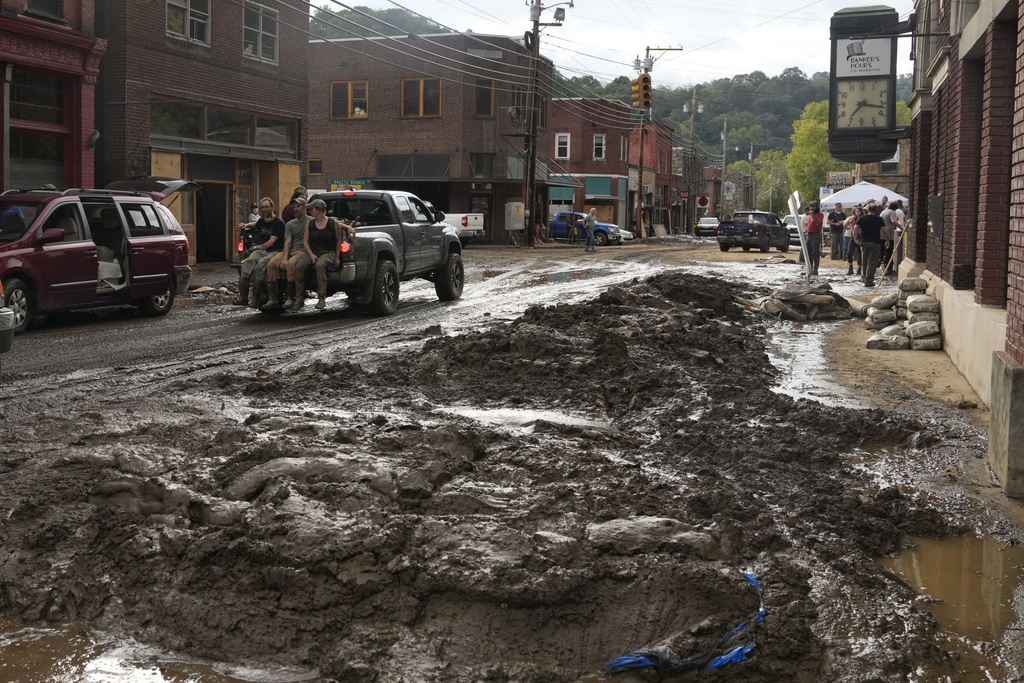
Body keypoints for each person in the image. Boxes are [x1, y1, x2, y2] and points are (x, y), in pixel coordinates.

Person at [296, 198, 354, 310]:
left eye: (312, 209)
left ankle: (321, 298)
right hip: (313, 252)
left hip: (329, 252)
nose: (310, 211)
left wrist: (337, 257)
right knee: (299, 266)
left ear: (319, 209)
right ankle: (299, 298)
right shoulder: (310, 224)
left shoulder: (333, 223)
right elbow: (305, 242)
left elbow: (338, 241)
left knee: (320, 265)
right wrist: (311, 255)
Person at [233, 197, 285, 307]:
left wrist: (254, 248)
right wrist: (246, 225)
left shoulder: (279, 223)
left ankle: (256, 299)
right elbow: (255, 224)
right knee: (247, 262)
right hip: (264, 250)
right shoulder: (262, 221)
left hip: (276, 251)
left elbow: (271, 243)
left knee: (261, 264)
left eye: (266, 207)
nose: (264, 209)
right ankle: (243, 297)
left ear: (272, 207)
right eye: (262, 207)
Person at [261, 197, 309, 311]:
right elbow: (287, 243)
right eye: (294, 207)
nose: (295, 209)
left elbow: (328, 222)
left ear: (305, 208)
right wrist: (284, 258)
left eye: (298, 206)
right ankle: (273, 299)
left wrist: (347, 226)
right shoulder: (290, 224)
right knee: (271, 264)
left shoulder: (311, 221)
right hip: (290, 250)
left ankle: (291, 298)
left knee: (291, 264)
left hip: (303, 251)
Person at [853, 203, 889, 288]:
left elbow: (855, 228)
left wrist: (855, 239)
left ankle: (864, 276)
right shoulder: (879, 219)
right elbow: (884, 230)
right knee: (872, 262)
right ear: (876, 211)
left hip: (864, 242)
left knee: (864, 260)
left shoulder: (862, 218)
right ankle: (869, 281)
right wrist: (887, 240)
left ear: (868, 210)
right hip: (875, 242)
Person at [804, 200, 824, 274]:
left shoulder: (820, 214)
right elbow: (810, 224)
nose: (812, 208)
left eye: (814, 206)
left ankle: (815, 269)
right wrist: (806, 231)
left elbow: (817, 224)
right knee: (808, 252)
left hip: (816, 234)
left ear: (817, 207)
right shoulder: (809, 215)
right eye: (811, 206)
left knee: (815, 252)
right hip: (809, 234)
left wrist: (813, 215)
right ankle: (810, 268)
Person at [843, 206, 863, 276]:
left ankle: (859, 268)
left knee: (859, 253)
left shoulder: (862, 218)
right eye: (856, 211)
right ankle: (850, 267)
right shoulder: (853, 218)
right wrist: (850, 220)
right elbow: (845, 225)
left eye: (859, 211)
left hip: (860, 235)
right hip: (853, 235)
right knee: (849, 252)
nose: (857, 213)